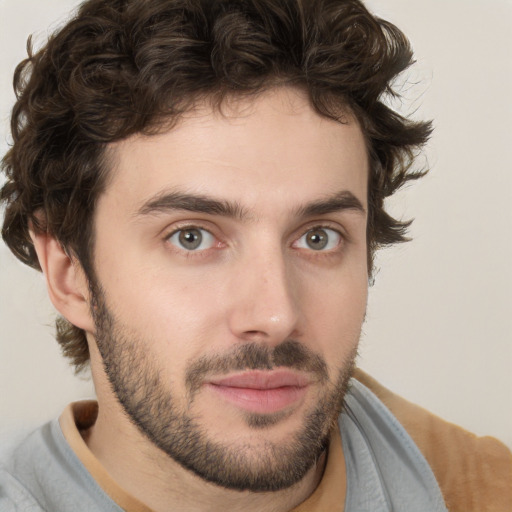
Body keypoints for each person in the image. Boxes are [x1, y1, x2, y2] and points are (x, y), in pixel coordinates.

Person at [0, 0, 510, 510]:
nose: (276, 316)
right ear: (70, 275)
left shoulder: (482, 490)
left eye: (318, 237)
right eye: (191, 237)